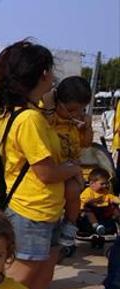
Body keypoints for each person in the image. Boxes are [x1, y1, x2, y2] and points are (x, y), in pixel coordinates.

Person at [0, 41, 80, 289]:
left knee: (40, 285)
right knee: (15, 286)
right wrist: (72, 170)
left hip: (47, 212)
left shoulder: (33, 115)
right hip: (31, 213)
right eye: (51, 72)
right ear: (43, 74)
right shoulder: (28, 120)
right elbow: (45, 172)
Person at [41, 75, 93, 245]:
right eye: (71, 110)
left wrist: (87, 127)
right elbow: (44, 131)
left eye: (81, 110)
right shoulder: (48, 116)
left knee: (73, 191)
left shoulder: (76, 122)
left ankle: (70, 225)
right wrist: (48, 106)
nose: (76, 114)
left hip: (71, 168)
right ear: (57, 102)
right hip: (52, 168)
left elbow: (85, 144)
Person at [79, 168, 119, 234]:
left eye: (106, 183)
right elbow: (83, 201)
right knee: (88, 212)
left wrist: (116, 200)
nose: (105, 186)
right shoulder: (88, 192)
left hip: (103, 210)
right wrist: (94, 200)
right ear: (92, 183)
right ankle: (96, 226)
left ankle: (118, 218)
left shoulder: (105, 192)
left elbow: (112, 197)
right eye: (102, 184)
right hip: (92, 209)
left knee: (114, 208)